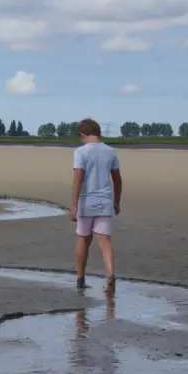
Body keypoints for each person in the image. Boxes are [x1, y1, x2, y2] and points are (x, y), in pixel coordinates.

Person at [69, 118, 122, 293]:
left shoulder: (80, 152)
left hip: (86, 201)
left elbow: (78, 179)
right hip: (105, 201)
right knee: (105, 239)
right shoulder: (110, 151)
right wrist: (116, 201)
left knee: (84, 238)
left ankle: (80, 278)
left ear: (82, 134)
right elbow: (117, 179)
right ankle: (110, 273)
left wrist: (74, 206)